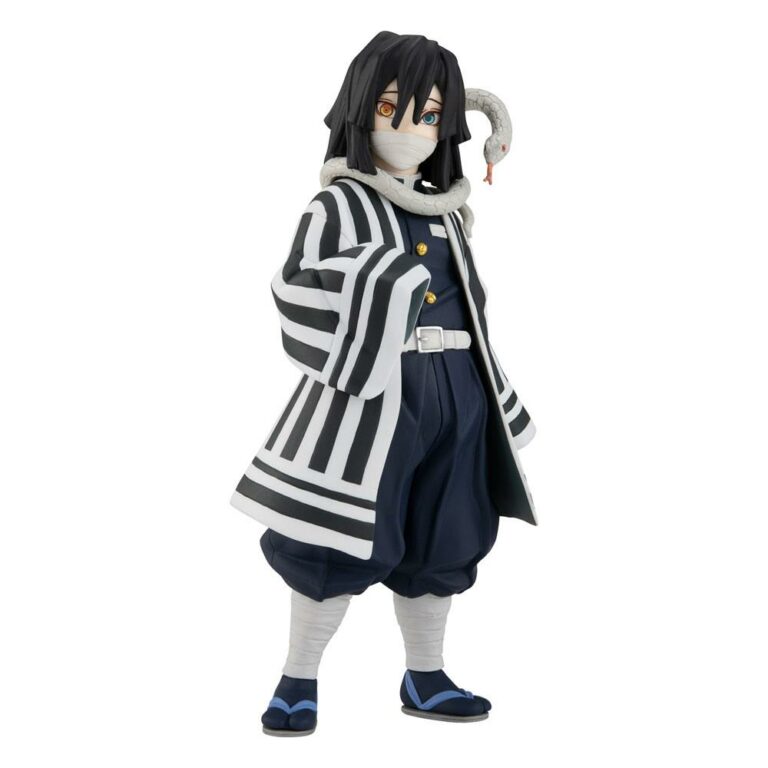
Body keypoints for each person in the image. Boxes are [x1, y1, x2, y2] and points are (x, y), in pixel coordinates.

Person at [230, 31, 537, 736]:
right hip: (371, 399)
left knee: (447, 529)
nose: (409, 129)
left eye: (428, 115)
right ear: (361, 110)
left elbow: (472, 306)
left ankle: (425, 674)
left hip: (457, 391)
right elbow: (295, 289)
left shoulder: (447, 211)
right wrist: (379, 281)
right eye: (391, 109)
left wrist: (486, 391)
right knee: (335, 535)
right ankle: (297, 677)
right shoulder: (336, 206)